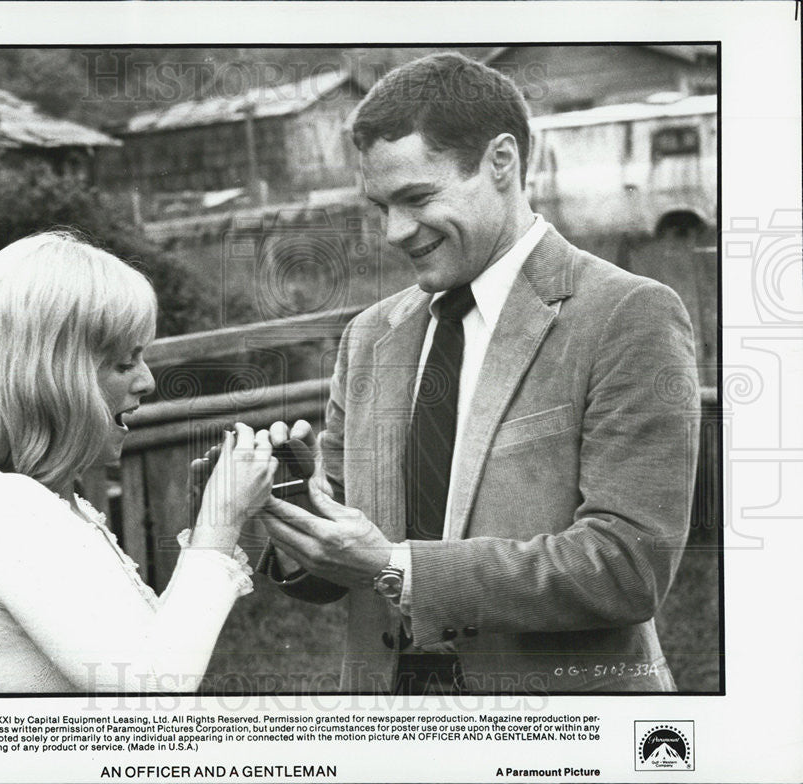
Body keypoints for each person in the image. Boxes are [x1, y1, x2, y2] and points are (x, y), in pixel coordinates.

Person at [259, 53, 700, 694]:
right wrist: (283, 517)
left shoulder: (627, 315)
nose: (394, 231)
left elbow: (628, 567)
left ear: (502, 163)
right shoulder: (369, 337)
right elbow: (344, 555)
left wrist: (393, 566)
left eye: (417, 198)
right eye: (380, 206)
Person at [0, 232, 277, 693]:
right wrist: (222, 520)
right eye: (124, 364)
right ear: (53, 382)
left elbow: (147, 648)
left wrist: (209, 522)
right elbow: (152, 689)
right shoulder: (8, 519)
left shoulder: (43, 507)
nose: (148, 381)